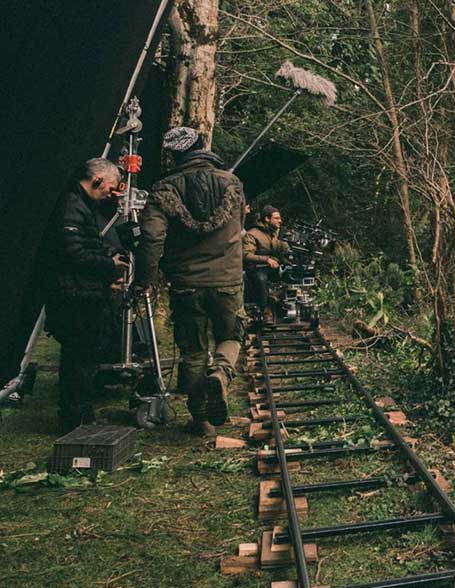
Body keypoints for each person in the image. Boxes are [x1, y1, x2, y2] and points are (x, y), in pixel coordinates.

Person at [134, 126, 246, 437]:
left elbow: (151, 238)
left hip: (185, 284)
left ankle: (201, 420)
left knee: (193, 351)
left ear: (173, 155)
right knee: (232, 336)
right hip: (227, 279)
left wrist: (147, 279)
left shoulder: (163, 190)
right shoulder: (232, 183)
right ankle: (222, 374)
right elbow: (241, 227)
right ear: (203, 146)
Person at [42, 158, 130, 432]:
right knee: (79, 360)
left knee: (84, 358)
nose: (110, 194)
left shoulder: (82, 206)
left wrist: (107, 254)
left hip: (82, 291)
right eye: (110, 187)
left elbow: (84, 246)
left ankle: (80, 413)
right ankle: (74, 418)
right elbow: (73, 253)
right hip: (76, 295)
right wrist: (109, 265)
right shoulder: (72, 206)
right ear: (98, 180)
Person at [242, 205, 289, 315]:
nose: (280, 221)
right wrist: (267, 260)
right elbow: (246, 254)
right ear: (267, 219)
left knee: (292, 273)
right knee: (261, 279)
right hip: (256, 268)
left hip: (274, 267)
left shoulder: (277, 232)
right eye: (276, 218)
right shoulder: (252, 234)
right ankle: (265, 310)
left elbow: (282, 250)